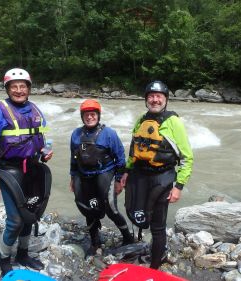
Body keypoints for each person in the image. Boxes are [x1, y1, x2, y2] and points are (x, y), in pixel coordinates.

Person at [0, 68, 53, 276]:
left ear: (29, 89)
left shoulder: (36, 110)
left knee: (31, 214)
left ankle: (22, 254)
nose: (19, 90)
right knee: (15, 220)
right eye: (14, 86)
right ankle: (4, 259)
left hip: (33, 168)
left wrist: (45, 150)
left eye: (23, 86)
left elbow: (44, 135)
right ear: (8, 89)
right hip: (10, 171)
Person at [121, 80, 193, 269]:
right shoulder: (140, 120)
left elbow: (187, 157)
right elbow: (133, 150)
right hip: (139, 175)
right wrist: (127, 172)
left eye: (158, 96)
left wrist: (179, 186)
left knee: (158, 225)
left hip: (163, 177)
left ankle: (154, 266)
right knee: (137, 213)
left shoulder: (173, 122)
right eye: (151, 96)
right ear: (146, 100)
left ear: (165, 100)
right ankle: (143, 246)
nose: (154, 100)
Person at [69, 99, 134, 256]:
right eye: (86, 114)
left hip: (105, 173)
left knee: (111, 209)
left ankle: (127, 237)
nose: (90, 117)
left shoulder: (109, 133)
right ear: (82, 116)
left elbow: (120, 158)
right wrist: (72, 177)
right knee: (87, 208)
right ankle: (95, 242)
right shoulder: (76, 134)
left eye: (93, 114)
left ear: (98, 116)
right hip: (83, 175)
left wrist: (119, 180)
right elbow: (74, 158)